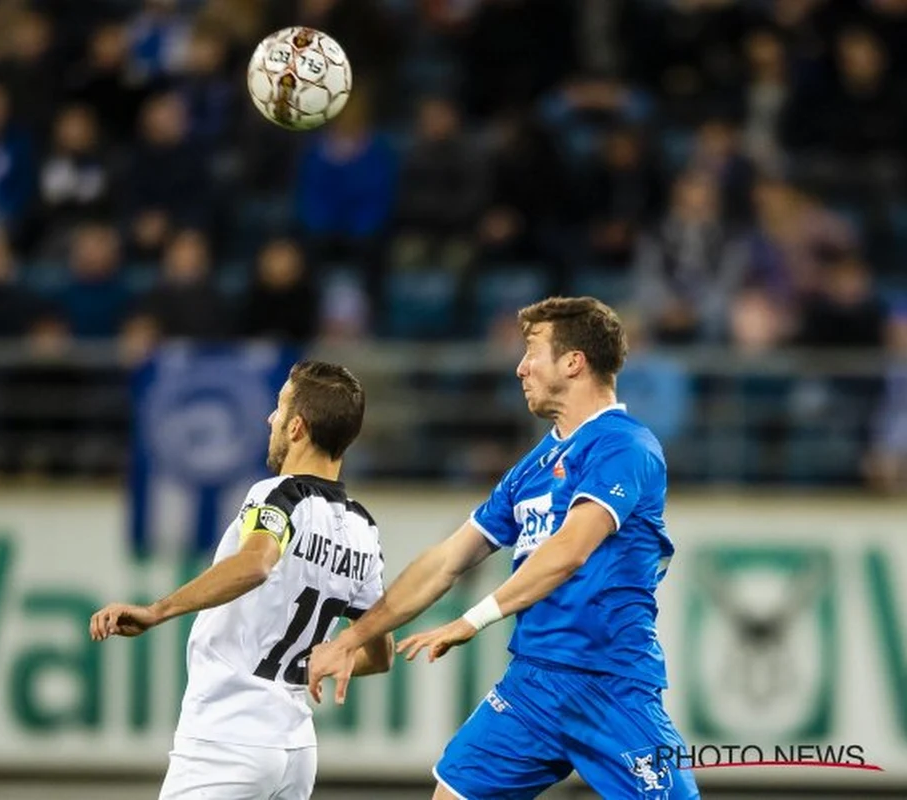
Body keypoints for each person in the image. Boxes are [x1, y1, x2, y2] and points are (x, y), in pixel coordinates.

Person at [307, 296, 700, 800]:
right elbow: (448, 560)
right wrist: (350, 639)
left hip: (610, 684)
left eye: (532, 351)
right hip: (532, 685)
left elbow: (570, 550)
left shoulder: (625, 445)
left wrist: (472, 620)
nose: (520, 367)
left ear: (573, 362)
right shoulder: (533, 467)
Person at [90, 360, 393, 800]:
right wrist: (316, 663)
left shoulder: (277, 495)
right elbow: (380, 652)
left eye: (279, 408)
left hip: (228, 735)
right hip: (296, 750)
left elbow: (255, 564)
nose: (271, 418)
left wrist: (158, 611)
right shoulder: (363, 528)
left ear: (297, 429)